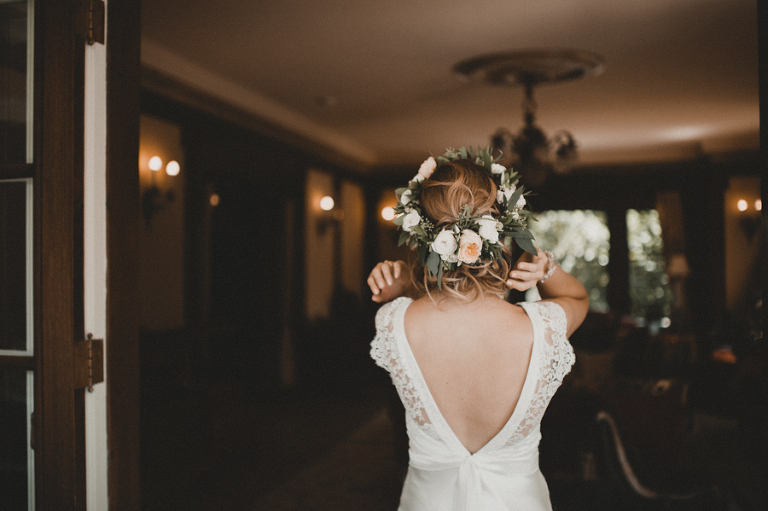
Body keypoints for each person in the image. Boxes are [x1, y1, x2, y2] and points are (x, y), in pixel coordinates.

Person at [367, 148, 589, 511]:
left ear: (423, 238)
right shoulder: (542, 327)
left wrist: (405, 278)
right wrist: (544, 267)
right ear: (504, 233)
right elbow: (578, 298)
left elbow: (417, 296)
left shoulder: (394, 321)